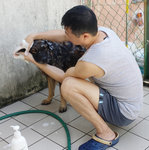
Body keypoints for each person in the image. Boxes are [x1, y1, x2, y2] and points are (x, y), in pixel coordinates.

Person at [16, 5, 143, 150]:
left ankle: (106, 134)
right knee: (74, 81)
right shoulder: (104, 32)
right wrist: (34, 36)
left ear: (85, 36)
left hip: (123, 112)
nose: (66, 36)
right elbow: (64, 36)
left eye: (68, 33)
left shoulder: (90, 61)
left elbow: (64, 77)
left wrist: (32, 59)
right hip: (131, 102)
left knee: (69, 85)